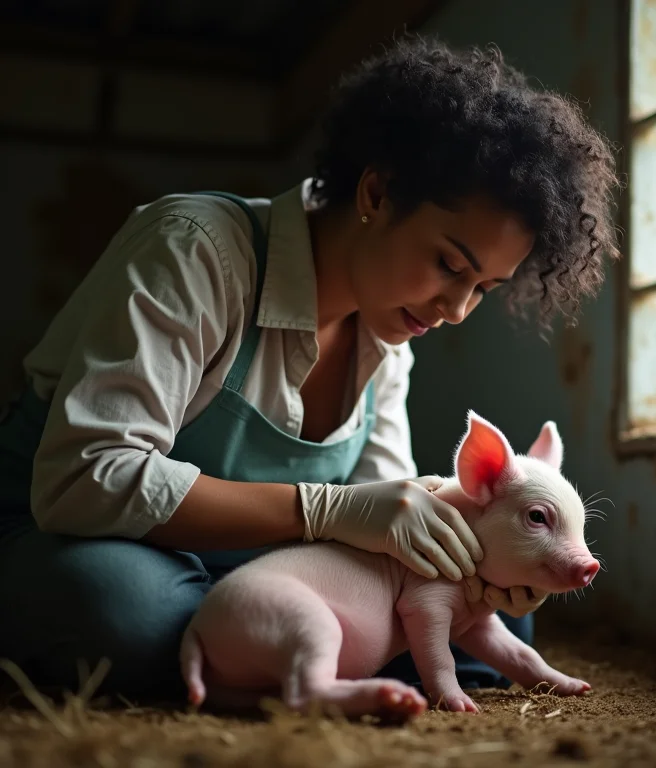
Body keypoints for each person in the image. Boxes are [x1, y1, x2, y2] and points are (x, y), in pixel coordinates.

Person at [0, 36, 620, 701]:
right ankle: (263, 649)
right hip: (73, 536)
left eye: (483, 289)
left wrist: (483, 567)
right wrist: (325, 508)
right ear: (377, 192)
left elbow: (389, 532)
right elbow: (87, 477)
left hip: (264, 576)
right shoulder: (196, 251)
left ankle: (265, 650)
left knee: (500, 613)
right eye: (449, 264)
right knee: (123, 608)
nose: (457, 309)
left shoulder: (389, 344)